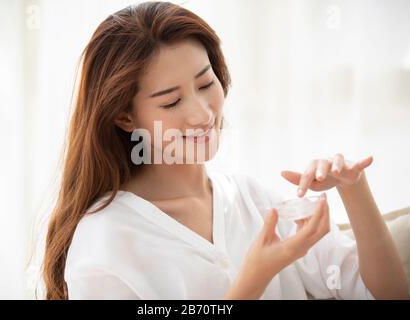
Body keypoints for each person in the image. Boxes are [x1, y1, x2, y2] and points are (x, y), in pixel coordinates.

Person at [42, 1, 409, 300]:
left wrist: (353, 188)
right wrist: (255, 278)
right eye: (171, 102)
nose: (203, 114)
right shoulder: (104, 243)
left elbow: (387, 293)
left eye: (206, 83)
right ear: (124, 117)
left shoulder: (252, 199)